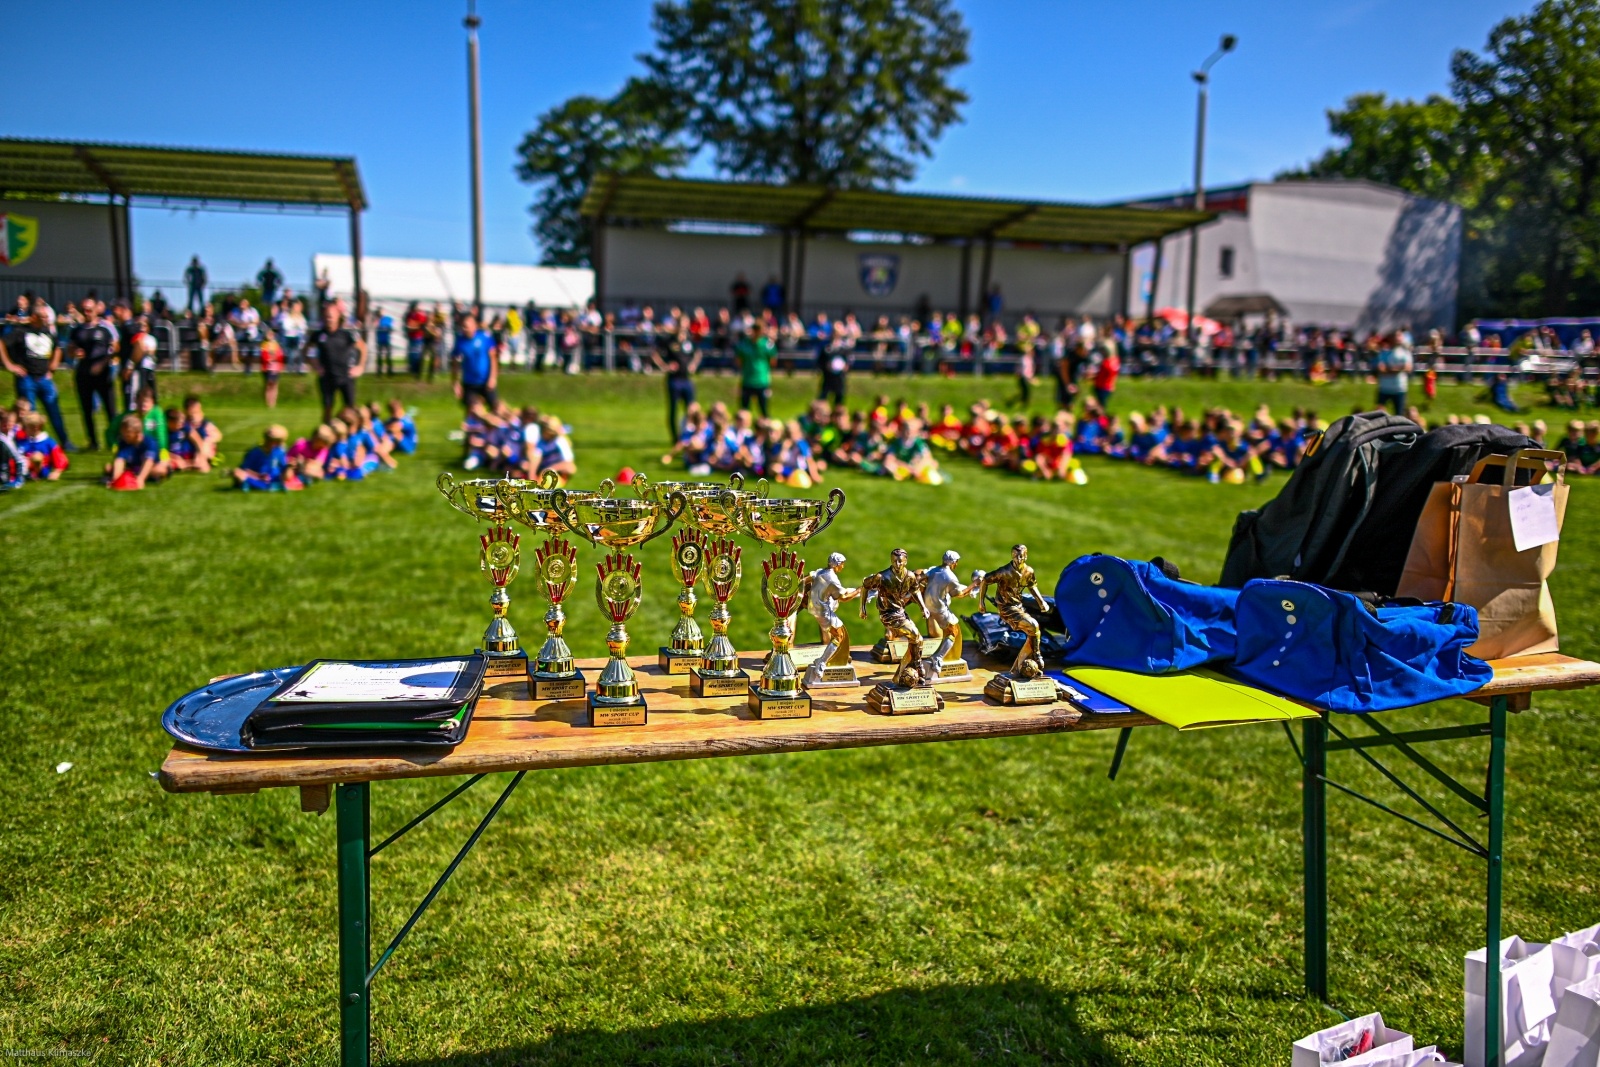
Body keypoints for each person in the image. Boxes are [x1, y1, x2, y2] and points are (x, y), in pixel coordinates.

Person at [2, 303, 75, 449]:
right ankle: (30, 445)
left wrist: (52, 367)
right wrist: (10, 365)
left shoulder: (47, 331)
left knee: (55, 412)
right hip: (27, 379)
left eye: (47, 316)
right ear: (34, 317)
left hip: (44, 379)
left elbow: (58, 348)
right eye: (43, 317)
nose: (47, 319)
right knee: (29, 416)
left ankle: (65, 442)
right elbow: (1, 343)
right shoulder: (21, 331)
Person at [70, 299, 119, 450]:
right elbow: (69, 349)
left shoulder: (105, 328)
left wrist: (103, 363)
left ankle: (114, 440)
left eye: (90, 309)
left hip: (103, 373)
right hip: (83, 373)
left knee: (110, 408)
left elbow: (116, 348)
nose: (87, 312)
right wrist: (74, 352)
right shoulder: (77, 330)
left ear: (96, 310)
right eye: (84, 309)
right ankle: (93, 442)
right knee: (86, 409)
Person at [306, 304, 366, 422]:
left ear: (338, 316)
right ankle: (326, 434)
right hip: (327, 376)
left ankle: (349, 434)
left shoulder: (347, 333)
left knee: (350, 408)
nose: (329, 318)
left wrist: (360, 366)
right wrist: (315, 365)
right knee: (328, 407)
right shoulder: (318, 335)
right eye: (327, 316)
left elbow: (363, 348)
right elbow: (306, 350)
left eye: (331, 316)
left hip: (346, 376)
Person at [653, 325, 700, 441]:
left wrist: (694, 364)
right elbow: (655, 354)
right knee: (674, 410)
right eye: (681, 333)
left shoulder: (689, 344)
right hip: (674, 381)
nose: (682, 336)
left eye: (684, 333)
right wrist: (665, 366)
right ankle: (675, 438)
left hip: (686, 380)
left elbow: (698, 353)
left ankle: (690, 436)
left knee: (691, 410)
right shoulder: (670, 343)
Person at [450, 310, 500, 409]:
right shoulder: (460, 341)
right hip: (469, 383)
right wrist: (456, 383)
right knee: (474, 411)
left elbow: (493, 358)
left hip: (486, 381)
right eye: (463, 326)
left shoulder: (484, 337)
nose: (465, 328)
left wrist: (493, 378)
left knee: (496, 408)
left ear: (474, 324)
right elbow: (455, 362)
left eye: (466, 325)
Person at [104, 412, 164, 489]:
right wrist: (116, 480)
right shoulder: (124, 442)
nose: (124, 436)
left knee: (161, 469)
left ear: (137, 433)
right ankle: (131, 477)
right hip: (132, 468)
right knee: (108, 467)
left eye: (128, 434)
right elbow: (119, 460)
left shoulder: (150, 442)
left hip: (149, 469)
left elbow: (149, 461)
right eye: (123, 434)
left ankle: (141, 477)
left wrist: (141, 478)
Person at [734, 318, 774, 417]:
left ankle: (764, 430)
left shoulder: (767, 345)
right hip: (748, 380)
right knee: (744, 411)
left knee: (764, 410)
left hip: (761, 380)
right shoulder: (744, 344)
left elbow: (773, 361)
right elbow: (738, 361)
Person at [233, 425, 293, 491]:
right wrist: (258, 476)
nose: (280, 444)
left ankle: (256, 486)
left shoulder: (279, 451)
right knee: (238, 473)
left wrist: (289, 466)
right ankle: (267, 486)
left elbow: (283, 467)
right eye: (278, 442)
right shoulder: (255, 452)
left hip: (275, 478)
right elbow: (245, 469)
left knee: (289, 473)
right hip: (258, 478)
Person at [1375, 331, 1413, 414]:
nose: (1398, 338)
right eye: (1396, 336)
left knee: (1399, 415)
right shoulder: (1384, 353)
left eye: (1400, 336)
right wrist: (1400, 368)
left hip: (1399, 388)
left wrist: (1389, 369)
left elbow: (1408, 368)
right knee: (1378, 413)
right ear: (1391, 338)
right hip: (1385, 389)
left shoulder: (1405, 353)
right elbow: (1381, 369)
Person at [259, 326, 285, 408]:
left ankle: (273, 403)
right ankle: (268, 402)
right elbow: (264, 356)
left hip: (275, 367)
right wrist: (270, 358)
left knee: (275, 384)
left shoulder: (276, 344)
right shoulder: (264, 345)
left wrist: (277, 361)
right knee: (268, 384)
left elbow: (280, 355)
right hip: (267, 367)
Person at [375, 307, 395, 375]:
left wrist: (389, 328)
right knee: (379, 356)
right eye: (380, 311)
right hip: (380, 340)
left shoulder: (388, 319)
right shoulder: (377, 319)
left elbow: (391, 327)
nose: (381, 313)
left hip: (387, 339)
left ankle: (389, 371)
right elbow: (375, 326)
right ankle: (379, 371)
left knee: (388, 355)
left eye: (382, 311)